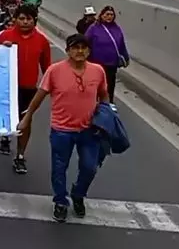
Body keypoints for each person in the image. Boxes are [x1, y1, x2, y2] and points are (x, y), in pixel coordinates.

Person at [19, 34, 109, 222]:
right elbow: (39, 96)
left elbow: (103, 95)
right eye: (75, 47)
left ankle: (78, 194)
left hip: (89, 130)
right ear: (67, 50)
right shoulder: (54, 71)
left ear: (89, 51)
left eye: (84, 48)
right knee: (60, 168)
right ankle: (60, 201)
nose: (80, 51)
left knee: (90, 167)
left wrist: (107, 117)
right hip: (62, 130)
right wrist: (27, 117)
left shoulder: (98, 71)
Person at [0, 4, 51, 173]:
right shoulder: (5, 36)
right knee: (5, 117)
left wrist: (50, 88)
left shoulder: (42, 40)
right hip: (6, 87)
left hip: (28, 89)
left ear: (34, 21)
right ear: (15, 19)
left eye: (29, 19)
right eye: (21, 18)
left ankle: (20, 155)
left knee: (25, 121)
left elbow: (47, 67)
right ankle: (5, 136)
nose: (25, 22)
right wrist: (1, 49)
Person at [85, 5, 130, 103]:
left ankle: (109, 105)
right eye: (107, 14)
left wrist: (126, 57)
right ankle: (94, 103)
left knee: (110, 85)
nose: (109, 16)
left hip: (112, 64)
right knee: (97, 85)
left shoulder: (117, 29)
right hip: (97, 64)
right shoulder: (94, 28)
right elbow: (86, 43)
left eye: (111, 15)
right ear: (102, 15)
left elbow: (121, 44)